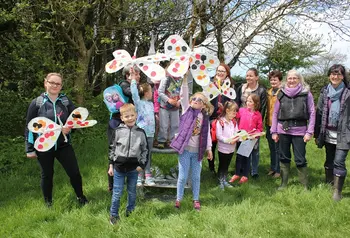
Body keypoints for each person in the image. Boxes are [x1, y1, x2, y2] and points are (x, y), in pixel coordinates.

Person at [25, 73, 88, 207]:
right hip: (44, 146)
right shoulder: (37, 103)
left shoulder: (65, 101)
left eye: (57, 84)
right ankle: (48, 203)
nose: (54, 85)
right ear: (45, 83)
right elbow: (29, 126)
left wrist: (69, 128)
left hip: (63, 145)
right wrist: (29, 149)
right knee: (47, 175)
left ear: (61, 86)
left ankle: (81, 197)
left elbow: (76, 119)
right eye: (51, 82)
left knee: (74, 173)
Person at [170, 74, 213, 211]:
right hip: (185, 150)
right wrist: (184, 79)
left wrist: (209, 149)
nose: (195, 100)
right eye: (193, 98)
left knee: (195, 177)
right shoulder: (186, 110)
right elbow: (184, 92)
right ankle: (178, 199)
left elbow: (207, 136)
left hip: (197, 152)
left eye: (199, 99)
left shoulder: (204, 118)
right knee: (182, 177)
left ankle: (196, 199)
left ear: (203, 104)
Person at [271, 70, 315, 190]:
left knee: (300, 159)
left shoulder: (306, 94)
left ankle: (304, 185)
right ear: (286, 80)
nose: (292, 80)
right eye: (290, 78)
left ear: (299, 79)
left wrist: (309, 132)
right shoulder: (281, 93)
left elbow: (312, 112)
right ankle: (284, 183)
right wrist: (274, 131)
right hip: (283, 130)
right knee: (284, 157)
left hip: (300, 131)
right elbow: (275, 113)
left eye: (294, 78)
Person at [108, 103, 149, 225]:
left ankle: (130, 210)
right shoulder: (118, 131)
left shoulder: (141, 133)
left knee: (132, 191)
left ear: (136, 116)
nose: (130, 118)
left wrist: (141, 165)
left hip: (133, 169)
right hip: (119, 168)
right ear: (122, 118)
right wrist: (111, 165)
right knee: (117, 191)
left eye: (132, 115)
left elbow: (145, 150)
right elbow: (112, 148)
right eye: (127, 116)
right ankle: (113, 215)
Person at [314, 64, 350, 201]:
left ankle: (337, 192)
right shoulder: (325, 92)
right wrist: (317, 134)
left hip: (344, 133)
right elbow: (320, 112)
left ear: (343, 76)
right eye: (333, 74)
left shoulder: (347, 93)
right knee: (329, 159)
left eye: (338, 74)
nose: (335, 77)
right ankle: (329, 183)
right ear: (329, 76)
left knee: (339, 161)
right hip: (328, 132)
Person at [107, 65, 141, 191]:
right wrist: (134, 83)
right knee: (115, 150)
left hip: (126, 122)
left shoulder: (131, 84)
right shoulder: (124, 85)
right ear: (128, 75)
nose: (138, 76)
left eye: (138, 74)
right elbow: (130, 92)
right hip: (116, 123)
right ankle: (112, 185)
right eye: (136, 74)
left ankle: (124, 180)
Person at [235, 68, 266, 178]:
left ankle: (254, 171)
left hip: (254, 121)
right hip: (242, 120)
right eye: (247, 75)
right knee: (242, 147)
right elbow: (237, 103)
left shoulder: (261, 90)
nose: (248, 78)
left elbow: (262, 107)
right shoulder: (241, 88)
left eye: (251, 75)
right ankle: (242, 170)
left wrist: (256, 120)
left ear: (256, 77)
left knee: (254, 148)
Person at [229, 94, 263, 184]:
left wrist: (256, 135)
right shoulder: (242, 110)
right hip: (241, 137)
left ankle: (245, 176)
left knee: (246, 157)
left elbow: (260, 128)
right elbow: (234, 117)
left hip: (250, 138)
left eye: (250, 101)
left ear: (255, 104)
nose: (248, 103)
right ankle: (237, 173)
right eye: (247, 100)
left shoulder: (258, 115)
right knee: (239, 156)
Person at [130, 68, 156, 186]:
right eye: (151, 91)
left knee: (148, 154)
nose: (152, 93)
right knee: (140, 155)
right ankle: (139, 176)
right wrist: (133, 79)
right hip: (140, 134)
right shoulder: (139, 103)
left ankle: (148, 175)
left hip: (150, 134)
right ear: (146, 93)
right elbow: (134, 93)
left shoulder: (151, 104)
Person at [208, 63, 234, 176]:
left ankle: (222, 170)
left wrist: (225, 108)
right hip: (212, 118)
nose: (220, 73)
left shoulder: (230, 87)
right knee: (212, 144)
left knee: (224, 145)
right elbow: (206, 100)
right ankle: (211, 168)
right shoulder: (211, 85)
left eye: (223, 71)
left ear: (227, 73)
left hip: (224, 119)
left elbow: (233, 103)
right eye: (218, 71)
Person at [216, 101, 239, 190]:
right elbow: (219, 136)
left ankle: (224, 179)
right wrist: (229, 141)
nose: (235, 114)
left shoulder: (234, 122)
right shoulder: (220, 122)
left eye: (236, 112)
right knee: (222, 165)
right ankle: (220, 180)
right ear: (227, 110)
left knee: (227, 165)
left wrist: (238, 137)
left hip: (231, 149)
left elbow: (237, 132)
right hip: (223, 148)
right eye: (233, 111)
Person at [157, 64, 182, 149]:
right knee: (163, 125)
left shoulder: (181, 80)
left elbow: (183, 94)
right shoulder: (165, 79)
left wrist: (179, 101)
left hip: (175, 107)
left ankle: (172, 141)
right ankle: (161, 140)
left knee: (175, 125)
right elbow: (160, 92)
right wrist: (168, 100)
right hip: (164, 106)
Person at [266, 70, 283, 178]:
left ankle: (278, 170)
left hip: (278, 124)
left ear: (280, 80)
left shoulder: (282, 92)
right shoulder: (268, 92)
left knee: (278, 148)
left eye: (275, 79)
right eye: (271, 79)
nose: (273, 81)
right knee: (271, 148)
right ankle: (272, 167)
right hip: (268, 123)